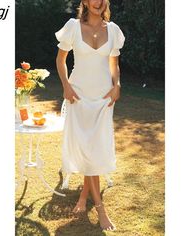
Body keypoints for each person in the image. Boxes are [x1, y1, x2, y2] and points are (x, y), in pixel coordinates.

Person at [55, 0, 125, 231]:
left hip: (104, 98)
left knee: (95, 147)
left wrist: (117, 85)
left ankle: (84, 197)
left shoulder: (113, 30)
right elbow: (61, 60)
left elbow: (113, 63)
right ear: (85, 1)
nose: (98, 2)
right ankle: (99, 208)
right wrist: (66, 85)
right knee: (86, 147)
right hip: (78, 95)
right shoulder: (73, 27)